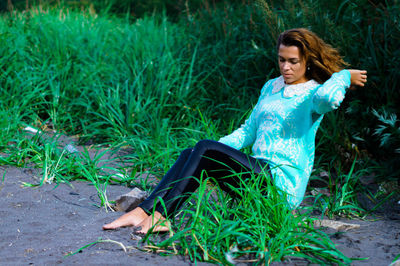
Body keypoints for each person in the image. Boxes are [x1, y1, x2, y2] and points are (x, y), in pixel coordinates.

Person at [103, 28, 367, 234]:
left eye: (293, 62)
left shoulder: (313, 94)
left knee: (205, 148)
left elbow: (330, 100)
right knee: (193, 151)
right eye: (281, 60)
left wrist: (342, 76)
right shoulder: (271, 87)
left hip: (279, 185)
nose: (286, 67)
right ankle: (145, 211)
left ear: (307, 61)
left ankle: (163, 216)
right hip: (256, 174)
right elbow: (246, 132)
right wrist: (202, 156)